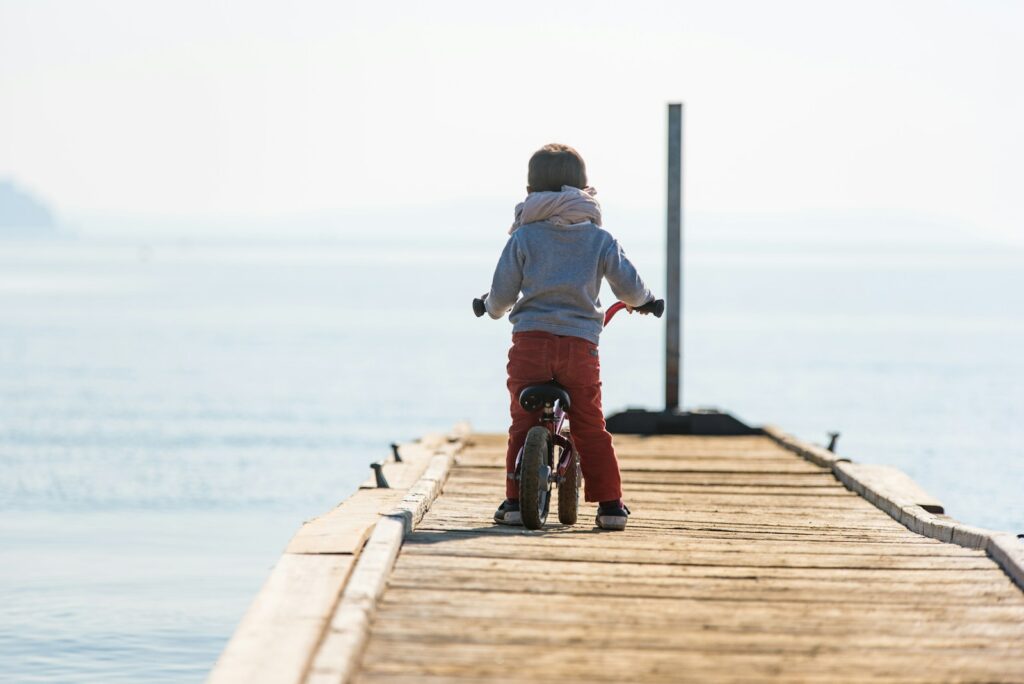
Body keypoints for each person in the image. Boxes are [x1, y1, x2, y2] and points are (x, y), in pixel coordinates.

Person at [481, 143, 655, 531]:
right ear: (584, 189)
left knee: (522, 423)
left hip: (530, 346)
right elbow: (629, 288)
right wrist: (646, 301)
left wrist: (490, 309)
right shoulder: (599, 239)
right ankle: (610, 506)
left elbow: (502, 295)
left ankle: (513, 502)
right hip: (579, 348)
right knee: (590, 425)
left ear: (530, 191)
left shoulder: (523, 238)